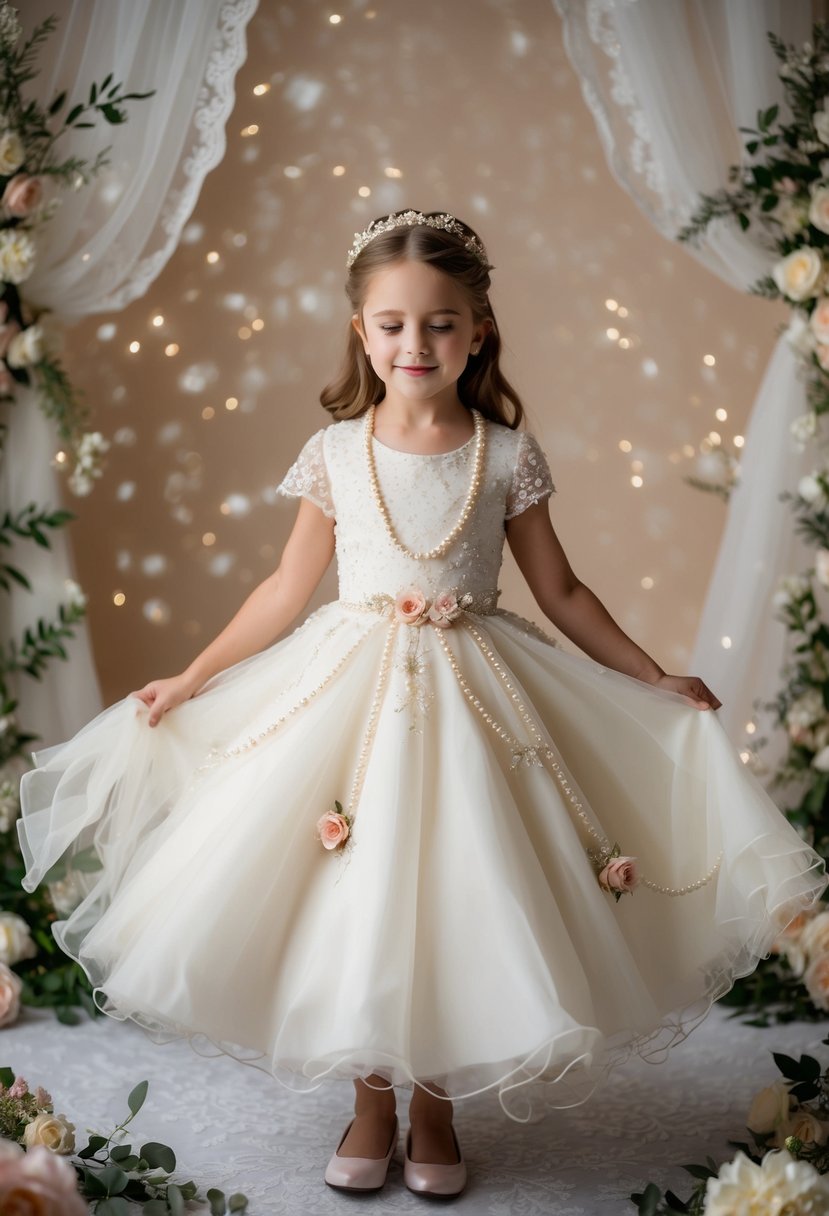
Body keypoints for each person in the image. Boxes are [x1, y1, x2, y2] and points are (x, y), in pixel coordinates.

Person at [17, 209, 826, 1202]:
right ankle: (369, 1102)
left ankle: (435, 1108)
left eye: (440, 323)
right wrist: (189, 678)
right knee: (361, 895)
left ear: (479, 328)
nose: (415, 343)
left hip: (480, 698)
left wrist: (652, 673)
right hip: (350, 699)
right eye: (392, 323)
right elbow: (283, 587)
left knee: (459, 887)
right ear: (361, 331)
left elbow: (562, 591)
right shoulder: (335, 452)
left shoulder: (505, 453)